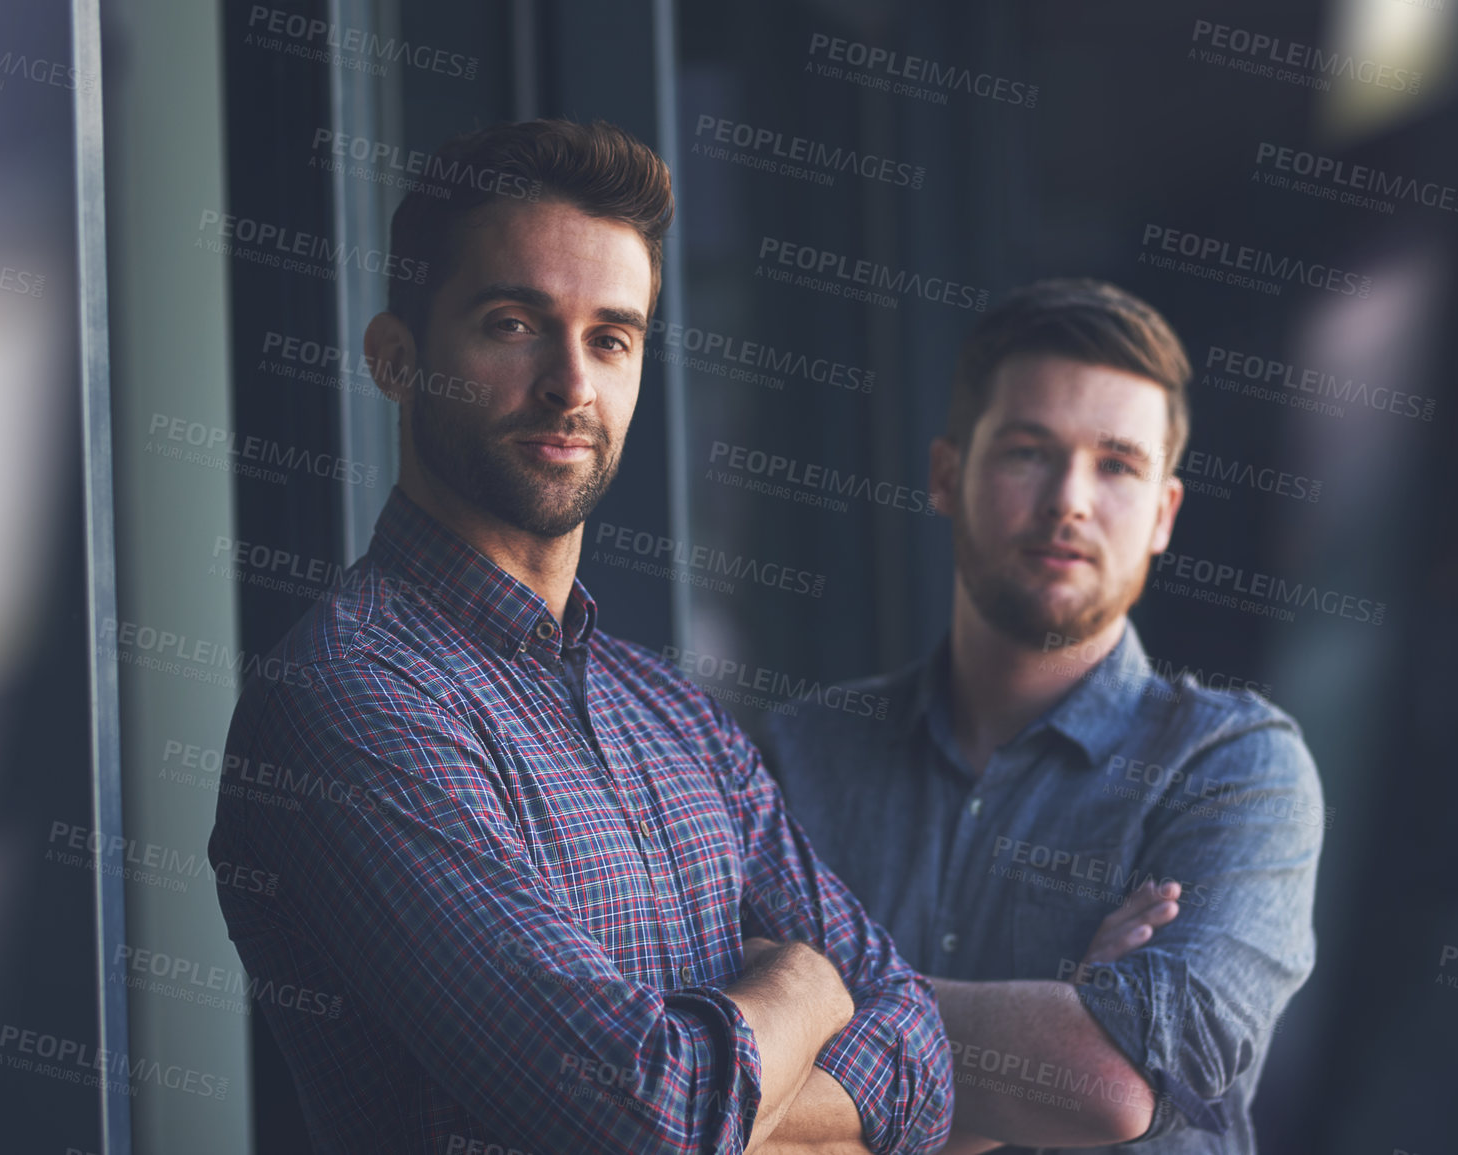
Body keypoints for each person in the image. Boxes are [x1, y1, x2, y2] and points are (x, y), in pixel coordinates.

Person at [208, 117, 953, 1155]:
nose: (571, 385)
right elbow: (643, 1118)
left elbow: (921, 1055)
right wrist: (799, 983)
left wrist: (732, 1089)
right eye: (513, 324)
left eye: (612, 337)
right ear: (396, 358)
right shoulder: (350, 704)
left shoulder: (671, 711)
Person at [758, 279, 1325, 1153]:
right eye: (1029, 451)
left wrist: (806, 1000)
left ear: (1163, 514)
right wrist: (1057, 1020)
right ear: (947, 474)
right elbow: (726, 1090)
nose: (1069, 498)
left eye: (1117, 464)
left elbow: (1106, 1083)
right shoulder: (799, 754)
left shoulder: (1235, 769)